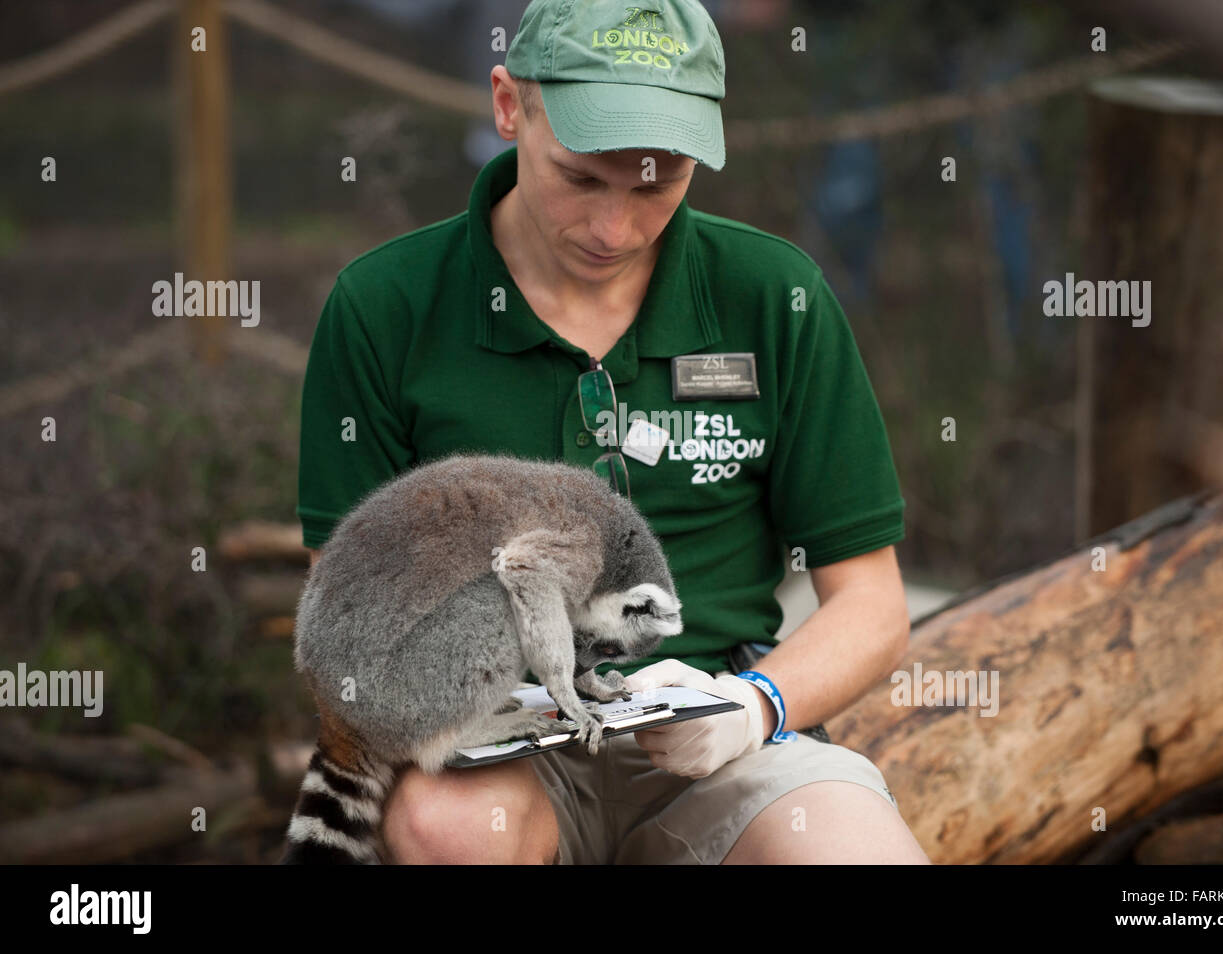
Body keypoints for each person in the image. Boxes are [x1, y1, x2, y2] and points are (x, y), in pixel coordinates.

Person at [297, 0, 930, 864]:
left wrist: (754, 704)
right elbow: (350, 617)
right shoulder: (387, 305)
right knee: (447, 829)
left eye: (656, 183)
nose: (614, 229)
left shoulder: (772, 294)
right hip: (493, 741)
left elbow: (873, 604)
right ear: (510, 105)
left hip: (718, 723)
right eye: (582, 178)